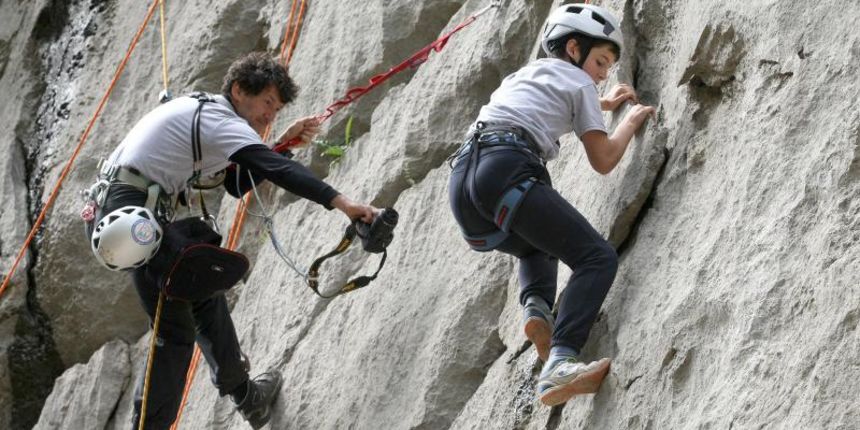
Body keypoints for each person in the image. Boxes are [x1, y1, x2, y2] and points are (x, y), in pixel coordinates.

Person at [89, 52, 377, 429]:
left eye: (276, 110)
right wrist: (343, 203)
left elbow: (235, 183)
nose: (270, 116)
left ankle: (247, 396)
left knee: (200, 286)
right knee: (175, 331)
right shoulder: (218, 118)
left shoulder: (205, 111)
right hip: (130, 216)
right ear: (240, 90)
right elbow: (276, 170)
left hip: (124, 214)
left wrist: (281, 143)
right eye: (268, 103)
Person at [447, 4, 655, 406]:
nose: (602, 73)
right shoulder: (579, 86)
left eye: (609, 66)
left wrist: (603, 104)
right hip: (507, 168)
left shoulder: (521, 76)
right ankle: (560, 362)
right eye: (600, 61)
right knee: (596, 257)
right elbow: (603, 160)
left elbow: (544, 103)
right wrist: (628, 121)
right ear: (573, 48)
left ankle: (536, 308)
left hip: (465, 190)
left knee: (535, 240)